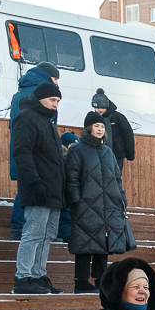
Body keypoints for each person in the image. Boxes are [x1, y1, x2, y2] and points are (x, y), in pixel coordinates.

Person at [11, 81, 65, 295]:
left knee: (47, 235)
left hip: (53, 190)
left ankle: (37, 276)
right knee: (33, 233)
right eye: (52, 100)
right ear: (40, 98)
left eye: (58, 101)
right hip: (38, 188)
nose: (55, 105)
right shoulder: (26, 117)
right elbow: (22, 153)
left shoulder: (48, 122)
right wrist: (35, 182)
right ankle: (22, 277)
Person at [64, 112, 126, 293]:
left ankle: (102, 281)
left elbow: (117, 179)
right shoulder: (77, 150)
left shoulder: (108, 151)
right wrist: (76, 199)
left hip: (108, 205)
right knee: (84, 244)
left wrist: (122, 199)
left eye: (102, 126)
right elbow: (72, 178)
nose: (100, 129)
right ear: (88, 128)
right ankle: (81, 282)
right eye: (96, 126)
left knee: (103, 244)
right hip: (86, 204)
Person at [9, 62, 60, 240]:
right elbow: (48, 121)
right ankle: (18, 227)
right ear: (47, 76)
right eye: (55, 78)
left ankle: (17, 227)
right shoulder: (42, 90)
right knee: (31, 186)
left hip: (20, 140)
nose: (56, 83)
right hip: (38, 145)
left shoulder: (19, 92)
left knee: (24, 184)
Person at [90, 88, 136, 187]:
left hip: (116, 154)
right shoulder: (94, 118)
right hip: (98, 153)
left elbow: (128, 134)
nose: (98, 110)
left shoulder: (118, 117)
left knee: (114, 179)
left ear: (106, 106)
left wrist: (130, 154)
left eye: (100, 107)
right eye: (96, 108)